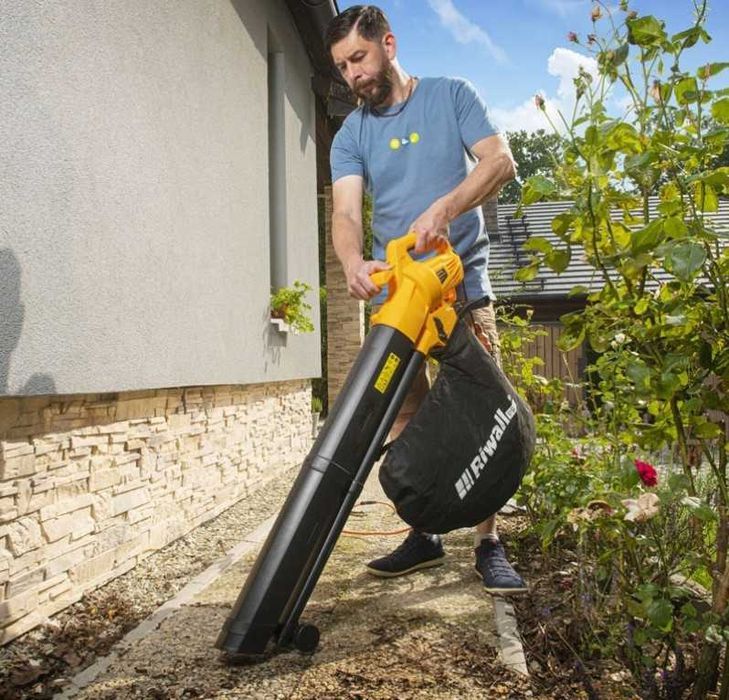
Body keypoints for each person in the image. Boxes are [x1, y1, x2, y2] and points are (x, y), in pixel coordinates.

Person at [325, 5, 527, 594]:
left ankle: (489, 543)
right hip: (399, 298)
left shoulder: (451, 95)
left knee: (481, 408)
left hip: (459, 286)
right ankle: (424, 533)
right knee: (404, 413)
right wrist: (351, 261)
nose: (353, 75)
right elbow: (343, 212)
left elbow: (500, 161)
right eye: (342, 67)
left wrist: (447, 206)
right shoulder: (352, 133)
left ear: (388, 44)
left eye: (358, 58)